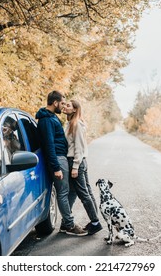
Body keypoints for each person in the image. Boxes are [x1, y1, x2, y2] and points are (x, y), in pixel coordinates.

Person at [36, 91, 88, 236]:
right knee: (63, 192)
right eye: (62, 103)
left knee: (71, 191)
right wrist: (56, 167)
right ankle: (69, 225)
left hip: (62, 158)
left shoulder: (52, 117)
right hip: (58, 159)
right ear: (55, 103)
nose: (63, 106)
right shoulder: (46, 120)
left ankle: (66, 222)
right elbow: (49, 145)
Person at [63, 99, 102, 235]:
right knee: (86, 192)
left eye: (68, 105)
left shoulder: (76, 125)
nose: (65, 107)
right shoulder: (70, 123)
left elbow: (79, 147)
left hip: (76, 162)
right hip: (80, 162)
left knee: (83, 194)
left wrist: (75, 166)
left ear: (74, 109)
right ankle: (92, 222)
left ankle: (95, 222)